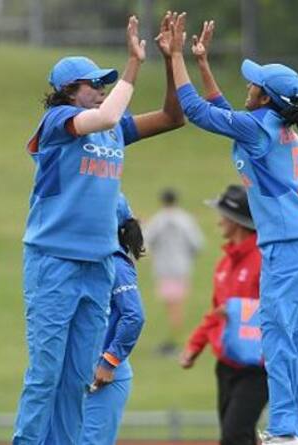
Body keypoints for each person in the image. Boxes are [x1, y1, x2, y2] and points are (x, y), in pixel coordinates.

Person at [13, 13, 185, 445]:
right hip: (54, 261)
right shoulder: (57, 123)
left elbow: (172, 117)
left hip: (99, 264)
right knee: (46, 375)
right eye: (93, 83)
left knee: (76, 380)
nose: (102, 89)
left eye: (104, 82)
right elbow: (107, 116)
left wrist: (171, 60)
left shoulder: (111, 131)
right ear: (69, 91)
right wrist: (133, 63)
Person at [168, 13, 298, 445]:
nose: (248, 87)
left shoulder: (258, 128)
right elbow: (223, 113)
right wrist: (202, 63)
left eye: (254, 84)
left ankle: (284, 432)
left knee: (275, 333)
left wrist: (176, 57)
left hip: (287, 242)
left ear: (264, 97)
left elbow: (199, 112)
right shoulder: (270, 124)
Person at [179, 185, 266, 445]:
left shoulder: (264, 260)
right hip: (227, 364)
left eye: (223, 215)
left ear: (237, 220)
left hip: (258, 367)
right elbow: (217, 312)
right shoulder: (225, 264)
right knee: (239, 436)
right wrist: (195, 346)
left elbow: (278, 309)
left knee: (234, 436)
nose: (219, 221)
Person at [80, 194, 146, 445]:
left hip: (105, 377)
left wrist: (109, 362)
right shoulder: (97, 260)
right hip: (86, 372)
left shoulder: (115, 265)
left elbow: (134, 316)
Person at [144, 187, 204, 355]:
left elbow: (146, 241)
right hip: (182, 267)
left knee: (171, 305)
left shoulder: (158, 220)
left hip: (163, 268)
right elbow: (197, 243)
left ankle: (175, 341)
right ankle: (177, 339)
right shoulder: (185, 219)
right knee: (178, 304)